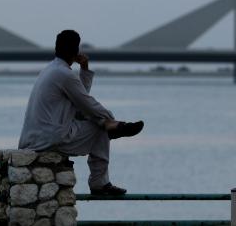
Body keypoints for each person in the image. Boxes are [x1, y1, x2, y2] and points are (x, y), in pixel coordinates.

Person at [18, 29, 144, 195]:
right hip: (50, 139)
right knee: (101, 130)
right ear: (76, 51)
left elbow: (79, 99)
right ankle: (100, 183)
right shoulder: (64, 74)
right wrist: (109, 119)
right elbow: (87, 102)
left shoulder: (50, 69)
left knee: (98, 121)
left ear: (57, 48)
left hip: (35, 137)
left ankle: (112, 126)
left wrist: (84, 69)